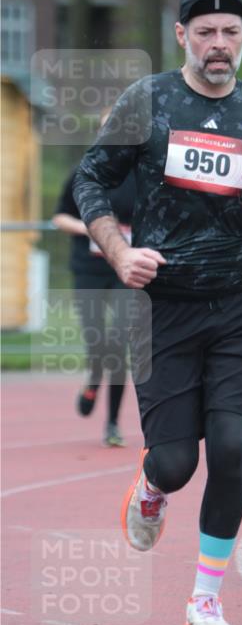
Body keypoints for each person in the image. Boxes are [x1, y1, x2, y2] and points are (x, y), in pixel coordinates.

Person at [73, 0, 242, 625]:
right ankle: (152, 486)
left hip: (240, 305)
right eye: (204, 32)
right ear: (181, 35)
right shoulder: (147, 101)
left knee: (232, 448)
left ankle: (204, 601)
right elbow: (91, 180)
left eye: (230, 32)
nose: (218, 44)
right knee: (177, 462)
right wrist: (121, 253)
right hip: (164, 310)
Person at [53, 112, 136, 448]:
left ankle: (113, 423)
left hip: (125, 269)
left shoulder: (141, 176)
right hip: (88, 268)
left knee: (117, 345)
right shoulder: (84, 173)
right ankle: (93, 377)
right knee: (97, 341)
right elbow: (60, 216)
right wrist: (90, 227)